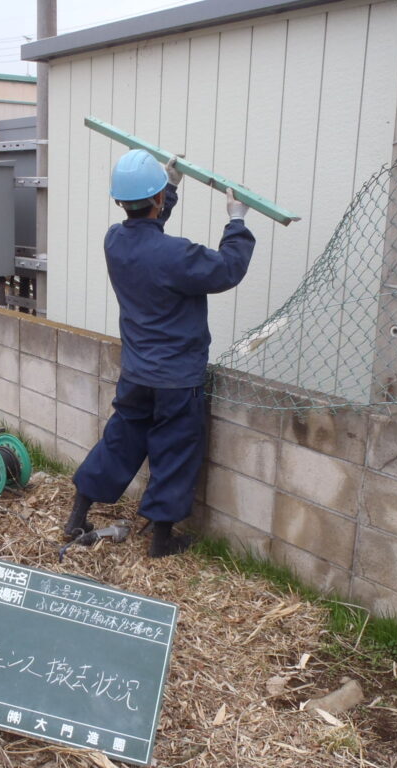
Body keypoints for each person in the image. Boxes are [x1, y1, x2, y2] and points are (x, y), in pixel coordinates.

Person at [65, 149, 256, 558]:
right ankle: (162, 541)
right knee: (174, 450)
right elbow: (227, 269)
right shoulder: (177, 256)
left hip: (135, 373)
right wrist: (236, 219)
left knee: (120, 440)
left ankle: (78, 515)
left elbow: (146, 231)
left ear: (120, 202)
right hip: (176, 379)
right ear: (154, 202)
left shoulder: (114, 241)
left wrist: (167, 187)